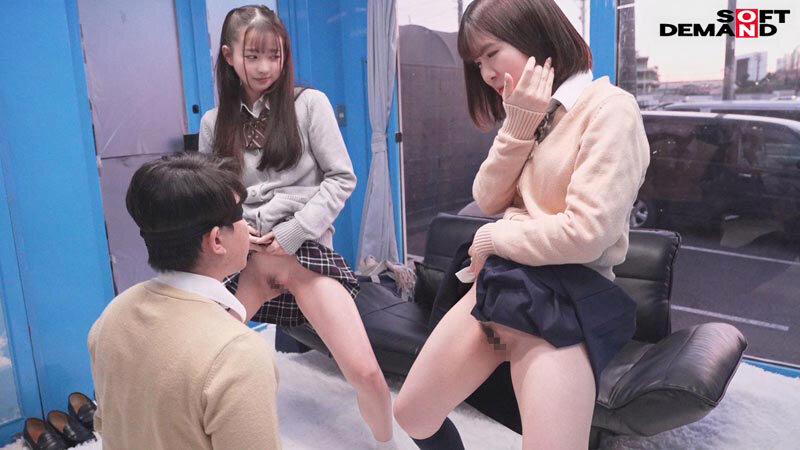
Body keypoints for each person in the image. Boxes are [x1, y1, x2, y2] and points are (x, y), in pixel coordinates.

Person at [393, 0, 650, 449]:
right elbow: (487, 197)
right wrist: (518, 126)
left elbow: (587, 233)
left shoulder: (609, 109)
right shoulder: (533, 113)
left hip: (565, 297)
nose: (486, 73)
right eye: (477, 63)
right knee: (412, 413)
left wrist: (494, 236)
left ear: (535, 35)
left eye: (491, 53)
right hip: (503, 283)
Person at [198, 5, 394, 446]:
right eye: (253, 56)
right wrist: (241, 230)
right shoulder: (214, 122)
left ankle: (388, 444)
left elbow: (342, 178)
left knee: (366, 373)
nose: (265, 67)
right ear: (229, 56)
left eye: (275, 55)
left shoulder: (309, 104)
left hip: (304, 252)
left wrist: (293, 232)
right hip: (247, 257)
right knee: (207, 363)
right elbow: (218, 196)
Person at [88, 153, 283, 449]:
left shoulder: (113, 315)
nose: (247, 226)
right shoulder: (240, 355)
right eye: (241, 215)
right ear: (216, 240)